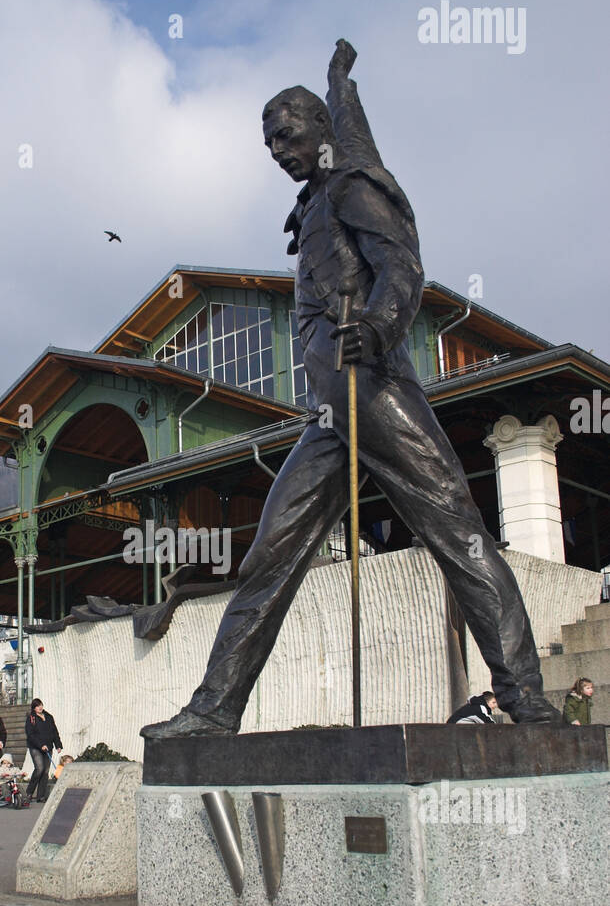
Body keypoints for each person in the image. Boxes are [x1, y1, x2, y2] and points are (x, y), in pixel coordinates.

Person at [142, 39, 562, 742]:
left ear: (320, 129)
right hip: (331, 416)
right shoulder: (314, 203)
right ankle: (215, 709)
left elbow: (402, 266)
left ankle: (525, 695)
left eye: (287, 134)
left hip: (376, 388)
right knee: (267, 558)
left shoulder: (353, 184)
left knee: (457, 533)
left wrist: (378, 322)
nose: (277, 149)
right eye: (268, 140)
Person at [24, 698, 62, 803]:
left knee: (45, 771)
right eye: (37, 706)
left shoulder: (49, 717)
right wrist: (41, 745)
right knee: (39, 768)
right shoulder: (31, 718)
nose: (40, 707)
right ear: (34, 708)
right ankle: (29, 793)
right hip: (36, 747)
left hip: (48, 747)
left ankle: (41, 796)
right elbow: (30, 734)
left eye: (40, 705)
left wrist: (58, 745)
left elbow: (54, 732)